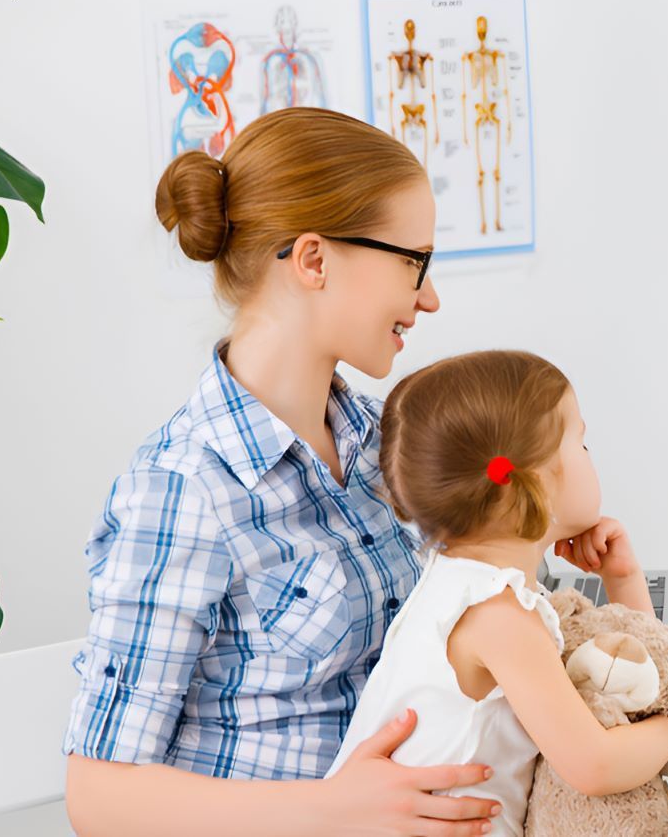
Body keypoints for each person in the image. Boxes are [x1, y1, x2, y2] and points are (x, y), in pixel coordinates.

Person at [62, 108, 501, 836]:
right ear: (314, 260)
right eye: (413, 262)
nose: (428, 296)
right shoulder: (184, 488)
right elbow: (98, 797)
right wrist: (332, 810)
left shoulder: (383, 439)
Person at [329, 350, 668, 834]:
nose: (591, 456)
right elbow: (595, 766)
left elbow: (637, 680)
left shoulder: (456, 581)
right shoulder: (500, 616)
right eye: (581, 444)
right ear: (534, 482)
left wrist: (622, 579)